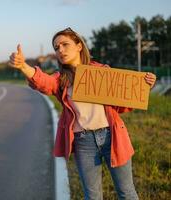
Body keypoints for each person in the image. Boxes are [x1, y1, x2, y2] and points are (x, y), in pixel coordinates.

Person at [8, 27, 156, 200]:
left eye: (65, 44)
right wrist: (23, 66)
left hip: (112, 136)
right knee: (92, 196)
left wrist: (144, 86)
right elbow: (44, 82)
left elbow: (121, 103)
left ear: (79, 46)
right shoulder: (60, 79)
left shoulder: (102, 71)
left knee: (127, 192)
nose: (60, 50)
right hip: (83, 141)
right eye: (56, 48)